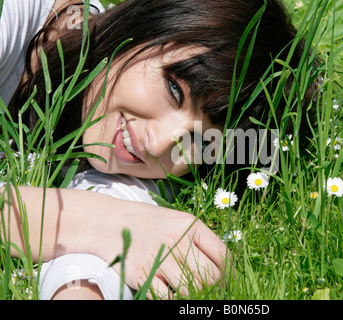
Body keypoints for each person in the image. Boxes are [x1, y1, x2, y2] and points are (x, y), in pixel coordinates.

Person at [0, 0, 321, 299]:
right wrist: (103, 222)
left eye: (201, 141)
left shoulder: (98, 133)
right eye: (174, 90)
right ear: (146, 23)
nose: (158, 144)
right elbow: (105, 219)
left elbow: (115, 230)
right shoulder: (12, 17)